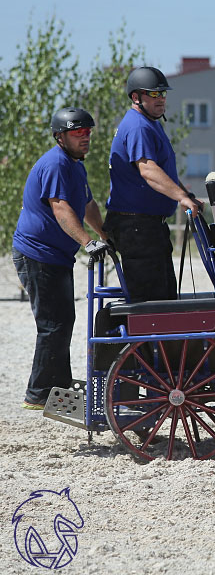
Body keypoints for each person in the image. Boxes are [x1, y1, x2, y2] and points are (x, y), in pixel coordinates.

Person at [13, 108, 109, 410]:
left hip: (55, 257)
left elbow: (88, 205)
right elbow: (61, 208)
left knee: (64, 321)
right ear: (60, 137)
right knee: (53, 324)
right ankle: (39, 393)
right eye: (77, 132)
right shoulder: (56, 163)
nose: (85, 136)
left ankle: (59, 387)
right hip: (38, 255)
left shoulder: (75, 166)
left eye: (87, 131)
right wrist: (88, 242)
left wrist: (106, 235)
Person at [104, 66, 201, 303]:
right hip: (136, 225)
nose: (162, 100)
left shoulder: (151, 123)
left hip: (147, 226)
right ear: (136, 97)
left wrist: (184, 193)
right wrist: (182, 198)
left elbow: (163, 171)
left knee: (166, 297)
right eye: (154, 94)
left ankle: (162, 342)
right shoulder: (138, 126)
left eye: (163, 94)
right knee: (151, 302)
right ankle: (147, 342)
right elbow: (148, 169)